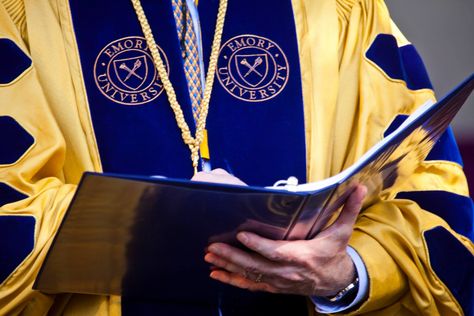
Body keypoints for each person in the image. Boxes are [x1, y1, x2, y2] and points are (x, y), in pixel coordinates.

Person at [0, 0, 472, 315]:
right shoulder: (23, 14)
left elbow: (430, 203)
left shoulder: (341, 11)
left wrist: (348, 273)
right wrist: (153, 218)